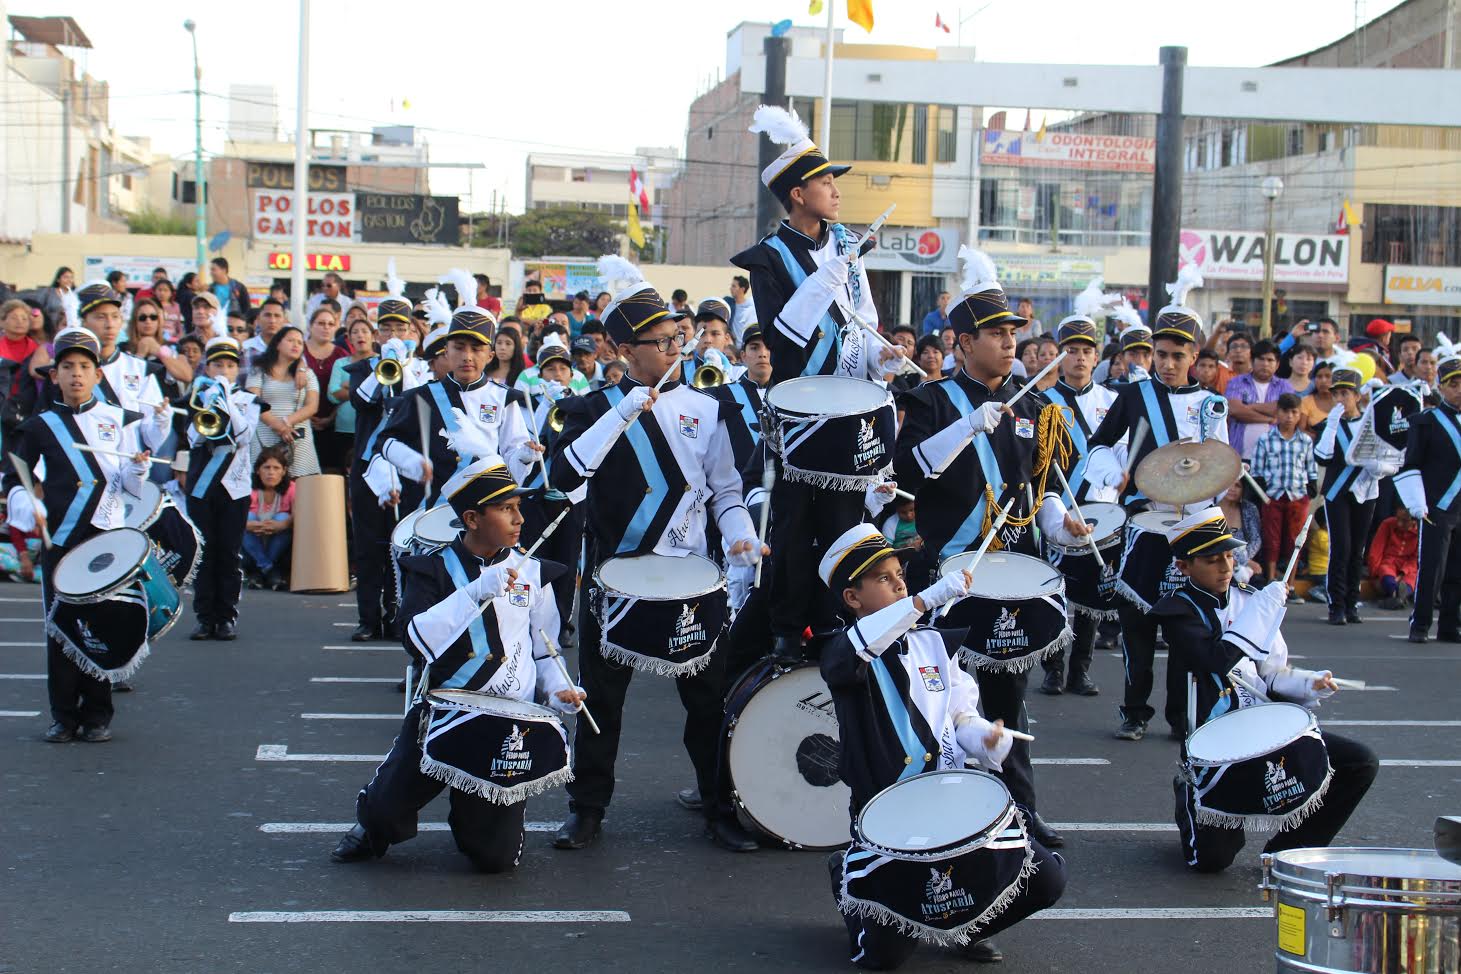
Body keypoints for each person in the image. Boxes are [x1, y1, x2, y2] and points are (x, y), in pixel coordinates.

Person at [548, 264, 765, 854]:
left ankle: (719, 807)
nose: (674, 347)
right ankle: (587, 809)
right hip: (615, 581)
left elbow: (725, 490)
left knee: (705, 704)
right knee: (602, 704)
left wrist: (741, 534)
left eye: (677, 336)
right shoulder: (592, 410)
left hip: (692, 580)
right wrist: (623, 412)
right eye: (660, 341)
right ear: (621, 349)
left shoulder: (709, 406)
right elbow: (563, 477)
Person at [894, 247, 1085, 851]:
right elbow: (911, 472)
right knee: (945, 705)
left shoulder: (1034, 407)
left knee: (1009, 705)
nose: (1011, 344)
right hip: (946, 574)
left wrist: (1060, 525)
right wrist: (970, 424)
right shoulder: (929, 401)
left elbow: (1041, 489)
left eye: (1013, 334)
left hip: (1012, 575)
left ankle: (1020, 813)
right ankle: (941, 817)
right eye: (997, 334)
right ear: (962, 341)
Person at [818, 525, 1064, 968]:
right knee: (883, 960)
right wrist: (924, 600)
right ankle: (846, 874)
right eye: (884, 579)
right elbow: (855, 651)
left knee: (1047, 878)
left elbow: (959, 715)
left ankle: (970, 927)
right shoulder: (844, 651)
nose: (899, 583)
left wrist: (985, 736)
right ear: (853, 599)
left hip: (950, 803)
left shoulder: (933, 643)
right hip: (888, 817)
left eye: (900, 574)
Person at [330, 456, 585, 872]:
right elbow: (415, 640)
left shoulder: (534, 573)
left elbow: (545, 649)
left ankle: (471, 816)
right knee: (383, 813)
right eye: (506, 509)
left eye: (519, 508)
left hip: (506, 720)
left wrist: (559, 689)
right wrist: (474, 592)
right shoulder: (431, 569)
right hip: (443, 712)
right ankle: (372, 823)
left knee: (494, 859)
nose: (519, 518)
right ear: (471, 518)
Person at [731, 104, 897, 663]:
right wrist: (829, 272)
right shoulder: (770, 258)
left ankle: (835, 623)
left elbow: (864, 318)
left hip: (851, 410)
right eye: (825, 181)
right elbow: (785, 339)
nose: (835, 189)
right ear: (797, 193)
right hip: (801, 412)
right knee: (797, 526)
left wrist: (883, 354)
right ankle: (784, 629)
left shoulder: (848, 245)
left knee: (845, 526)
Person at [1153, 507, 1377, 874]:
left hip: (1263, 723)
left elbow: (1270, 673)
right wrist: (1261, 611)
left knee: (1359, 762)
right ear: (1184, 567)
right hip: (1217, 740)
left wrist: (1309, 681)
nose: (1226, 567)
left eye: (1229, 556)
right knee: (1210, 862)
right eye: (1212, 560)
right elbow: (1215, 660)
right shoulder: (1177, 611)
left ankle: (1288, 849)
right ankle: (1188, 795)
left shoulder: (1249, 598)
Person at [1085, 268, 1230, 742]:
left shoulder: (1212, 405)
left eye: (1176, 356)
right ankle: (1133, 709)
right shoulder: (1133, 395)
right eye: (1160, 355)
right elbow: (1098, 446)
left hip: (1192, 530)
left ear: (1195, 356)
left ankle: (1180, 714)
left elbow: (1224, 467)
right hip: (1145, 525)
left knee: (1188, 629)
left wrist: (1199, 491)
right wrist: (1115, 473)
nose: (1166, 364)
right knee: (1138, 626)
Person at [3, 328, 153, 743]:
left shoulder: (117, 420)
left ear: (98, 375)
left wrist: (138, 468)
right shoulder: (38, 426)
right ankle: (63, 716)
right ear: (54, 375)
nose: (75, 374)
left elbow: (128, 484)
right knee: (60, 625)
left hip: (104, 538)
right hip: (63, 538)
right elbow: (13, 479)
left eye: (84, 367)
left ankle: (99, 713)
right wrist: (26, 505)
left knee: (99, 624)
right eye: (67, 367)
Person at [376, 306, 538, 512]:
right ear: (447, 351)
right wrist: (412, 461)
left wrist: (524, 455)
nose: (467, 356)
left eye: (477, 349)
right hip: (433, 507)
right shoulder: (420, 397)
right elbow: (386, 441)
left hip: (486, 507)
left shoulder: (504, 398)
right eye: (459, 347)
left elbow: (511, 460)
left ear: (490, 355)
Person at [1038, 312, 1122, 698]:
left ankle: (1080, 671)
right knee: (1053, 589)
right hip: (1056, 505)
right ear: (1060, 356)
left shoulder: (1112, 400)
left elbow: (1120, 454)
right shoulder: (1042, 401)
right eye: (1071, 350)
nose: (1079, 358)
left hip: (1099, 508)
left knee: (1092, 593)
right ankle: (1053, 667)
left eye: (1087, 351)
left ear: (1096, 356)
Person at [345, 295, 416, 642]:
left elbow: (416, 406)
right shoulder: (364, 367)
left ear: (412, 331)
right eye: (386, 328)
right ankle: (367, 618)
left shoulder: (420, 369)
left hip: (403, 467)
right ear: (377, 333)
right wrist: (383, 366)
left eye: (400, 328)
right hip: (367, 466)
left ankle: (396, 613)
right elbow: (360, 400)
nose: (393, 334)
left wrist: (405, 366)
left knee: (399, 543)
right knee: (368, 545)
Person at [186, 336, 265, 640]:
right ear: (207, 367)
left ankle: (227, 615)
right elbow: (194, 436)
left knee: (229, 553)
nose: (224, 369)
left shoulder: (247, 400)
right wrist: (209, 399)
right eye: (218, 364)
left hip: (235, 487)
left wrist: (225, 400)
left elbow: (244, 434)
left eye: (230, 365)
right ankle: (205, 616)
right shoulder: (196, 396)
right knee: (204, 552)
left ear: (237, 369)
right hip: (202, 486)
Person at [1394, 349, 1461, 642]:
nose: (1459, 390)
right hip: (1436, 505)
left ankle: (1449, 624)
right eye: (1453, 384)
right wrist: (1416, 503)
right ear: (1441, 387)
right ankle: (1420, 623)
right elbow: (1411, 465)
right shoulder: (1427, 421)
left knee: (1458, 570)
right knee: (1433, 566)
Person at [1312, 368, 1384, 626]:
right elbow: (1322, 457)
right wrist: (1331, 426)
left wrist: (1378, 467)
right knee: (1340, 547)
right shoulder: (1330, 424)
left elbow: (1385, 457)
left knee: (1357, 550)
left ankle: (1352, 603)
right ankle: (1337, 605)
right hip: (1337, 493)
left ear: (1356, 395)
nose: (1340, 398)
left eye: (1346, 393)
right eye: (1337, 394)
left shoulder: (1370, 423)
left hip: (1366, 492)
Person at [1250, 393, 1317, 582]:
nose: (1289, 417)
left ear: (1299, 415)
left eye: (1294, 412)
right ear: (1277, 413)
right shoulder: (1265, 439)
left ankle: (1290, 584)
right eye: (1285, 411)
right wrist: (1262, 491)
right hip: (1272, 496)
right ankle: (1271, 581)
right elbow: (1257, 469)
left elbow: (1310, 467)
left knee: (1295, 541)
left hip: (1297, 496)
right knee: (1272, 540)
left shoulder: (1305, 441)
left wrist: (1311, 486)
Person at [247, 324, 321, 478]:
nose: (296, 345)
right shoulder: (259, 369)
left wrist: (287, 422)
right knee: (264, 485)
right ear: (278, 344)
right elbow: (253, 400)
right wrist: (279, 426)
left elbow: (312, 406)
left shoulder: (307, 373)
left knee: (302, 488)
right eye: (291, 340)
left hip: (297, 438)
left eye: (300, 343)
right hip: (264, 434)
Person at [1226, 340, 1294, 460]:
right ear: (1252, 361)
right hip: (1239, 455)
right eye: (1261, 359)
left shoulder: (1285, 386)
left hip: (1274, 457)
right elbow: (1235, 410)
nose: (1265, 364)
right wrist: (1269, 419)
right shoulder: (1237, 382)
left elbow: (1282, 411)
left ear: (1277, 364)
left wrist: (1248, 406)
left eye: (1270, 360)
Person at [302, 306, 350, 474]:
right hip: (302, 421)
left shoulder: (342, 355)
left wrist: (330, 418)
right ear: (310, 326)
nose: (326, 327)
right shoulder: (298, 351)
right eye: (321, 323)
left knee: (332, 474)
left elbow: (346, 391)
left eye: (331, 324)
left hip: (334, 423)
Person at [243, 448, 294, 590]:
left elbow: (298, 515)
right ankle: (268, 569)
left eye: (276, 468)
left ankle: (259, 573)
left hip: (278, 545)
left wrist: (283, 524)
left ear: (284, 471)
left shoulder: (292, 489)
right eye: (266, 467)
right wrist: (247, 524)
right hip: (251, 545)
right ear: (258, 470)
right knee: (247, 517)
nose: (271, 472)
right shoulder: (247, 488)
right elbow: (233, 518)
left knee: (283, 516)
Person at [1367, 508, 1419, 610]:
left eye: (1404, 521)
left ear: (1414, 521)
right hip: (1389, 562)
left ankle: (1397, 597)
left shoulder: (1420, 532)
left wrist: (1402, 574)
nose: (1399, 524)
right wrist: (1374, 574)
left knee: (1412, 578)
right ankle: (1399, 596)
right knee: (1385, 571)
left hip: (1407, 567)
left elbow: (1414, 559)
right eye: (1398, 519)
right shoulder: (1387, 524)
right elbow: (1376, 551)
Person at [242, 298, 288, 374]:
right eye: (267, 315)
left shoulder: (289, 348)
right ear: (258, 319)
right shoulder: (246, 347)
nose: (272, 320)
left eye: (277, 316)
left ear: (284, 321)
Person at [728, 274, 755, 342]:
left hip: (746, 344)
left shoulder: (751, 306)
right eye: (731, 286)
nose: (731, 288)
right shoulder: (730, 304)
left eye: (734, 286)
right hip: (733, 347)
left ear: (742, 289)